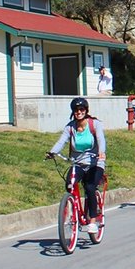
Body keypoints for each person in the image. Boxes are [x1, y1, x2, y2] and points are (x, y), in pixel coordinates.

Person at [47, 96, 105, 236]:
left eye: (81, 109)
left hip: (95, 163)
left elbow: (101, 140)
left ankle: (92, 221)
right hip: (77, 163)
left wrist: (101, 152)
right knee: (70, 185)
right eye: (76, 110)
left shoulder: (94, 124)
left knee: (90, 187)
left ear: (86, 110)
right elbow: (61, 142)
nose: (79, 112)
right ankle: (73, 210)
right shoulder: (70, 127)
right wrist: (52, 152)